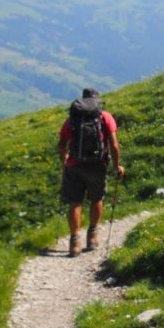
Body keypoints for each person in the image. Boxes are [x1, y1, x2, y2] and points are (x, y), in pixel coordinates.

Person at [57, 88, 125, 256]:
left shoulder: (72, 119)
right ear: (97, 100)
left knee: (75, 202)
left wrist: (65, 159)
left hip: (74, 165)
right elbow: (114, 145)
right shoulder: (105, 117)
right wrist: (117, 166)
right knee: (96, 198)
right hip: (97, 165)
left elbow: (61, 145)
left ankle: (74, 243)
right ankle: (92, 235)